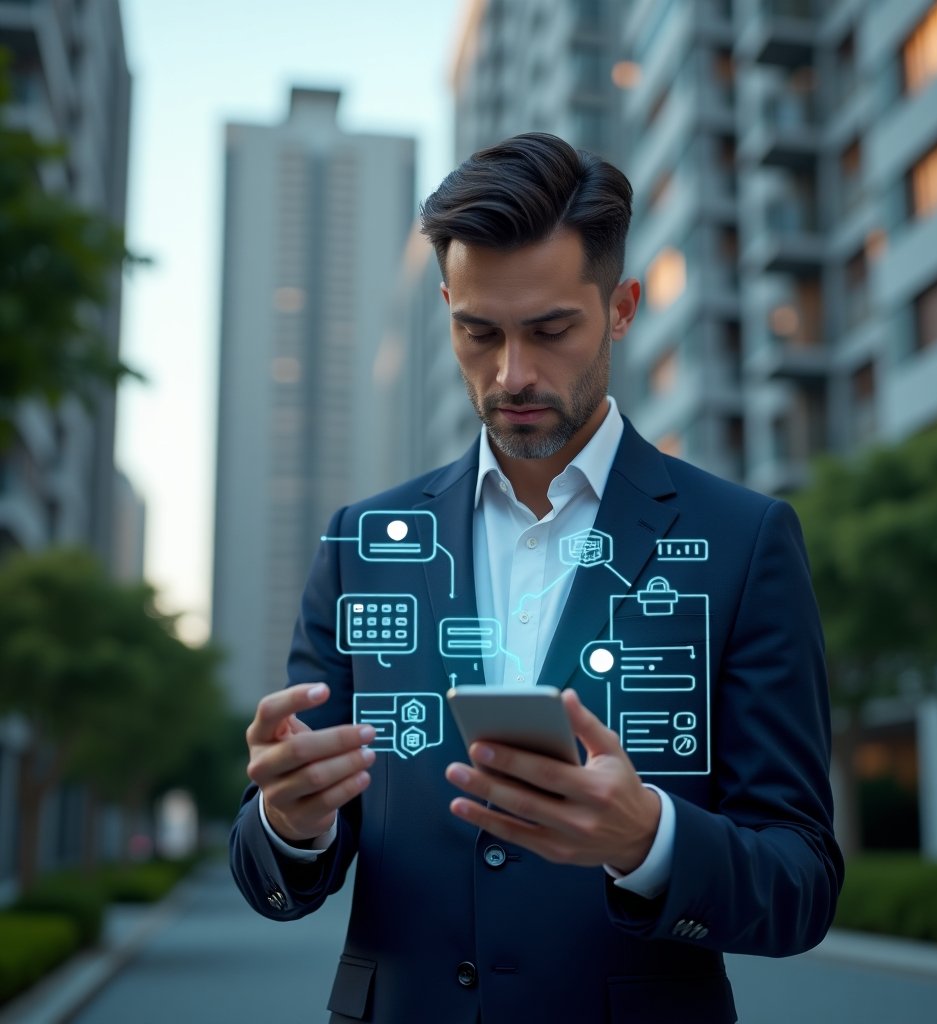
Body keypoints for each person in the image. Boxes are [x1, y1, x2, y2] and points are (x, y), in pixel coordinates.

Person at [230, 132, 843, 1024]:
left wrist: (649, 840)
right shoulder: (364, 544)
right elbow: (278, 869)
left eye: (551, 330)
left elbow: (802, 881)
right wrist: (289, 820)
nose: (511, 374)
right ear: (448, 308)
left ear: (621, 309)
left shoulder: (743, 541)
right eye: (479, 332)